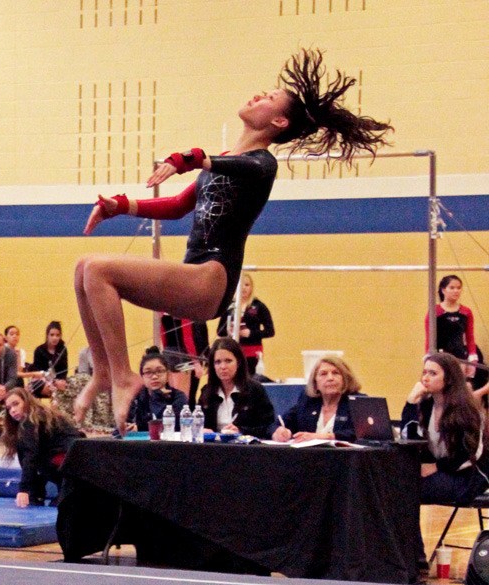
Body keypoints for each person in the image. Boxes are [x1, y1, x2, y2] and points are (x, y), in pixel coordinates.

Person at [73, 48, 393, 432]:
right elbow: (178, 205)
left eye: (270, 97)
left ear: (278, 120)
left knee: (99, 269)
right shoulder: (223, 159)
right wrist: (120, 206)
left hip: (212, 276)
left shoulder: (262, 163)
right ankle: (105, 373)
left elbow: (232, 165)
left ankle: (123, 375)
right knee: (83, 270)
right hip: (194, 273)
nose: (259, 94)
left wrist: (190, 157)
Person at [401, 352, 489, 572]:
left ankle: (415, 556)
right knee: (398, 486)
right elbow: (409, 437)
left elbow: (469, 455)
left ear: (448, 379)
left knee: (407, 489)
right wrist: (411, 402)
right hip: (439, 473)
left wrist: (436, 467)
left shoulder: (467, 410)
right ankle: (412, 555)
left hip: (467, 476)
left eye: (432, 373)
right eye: (424, 373)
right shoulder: (427, 405)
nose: (425, 378)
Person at [2, 388, 84, 507]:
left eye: (16, 404)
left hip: (71, 465)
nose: (13, 410)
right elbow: (28, 456)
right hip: (71, 463)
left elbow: (30, 456)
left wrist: (24, 489)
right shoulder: (41, 416)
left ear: (27, 401)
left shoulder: (31, 421)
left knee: (37, 459)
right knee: (37, 458)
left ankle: (60, 493)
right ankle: (39, 493)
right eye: (9, 408)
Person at [272, 355, 364, 442]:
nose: (330, 378)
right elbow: (275, 425)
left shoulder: (358, 402)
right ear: (315, 383)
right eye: (323, 374)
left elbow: (362, 434)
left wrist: (325, 437)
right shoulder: (307, 401)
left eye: (336, 373)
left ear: (345, 379)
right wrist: (278, 431)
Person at [198, 337, 275, 438]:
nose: (223, 367)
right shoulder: (207, 391)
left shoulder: (255, 390)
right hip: (214, 447)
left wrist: (241, 431)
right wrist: (201, 429)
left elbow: (269, 427)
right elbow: (196, 421)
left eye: (228, 361)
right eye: (218, 362)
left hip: (245, 449)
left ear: (238, 362)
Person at [217, 273, 275, 375]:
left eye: (247, 285)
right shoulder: (230, 307)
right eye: (240, 285)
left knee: (250, 380)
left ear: (251, 287)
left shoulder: (259, 306)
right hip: (233, 351)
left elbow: (270, 331)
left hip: (252, 352)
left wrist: (250, 333)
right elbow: (219, 331)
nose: (243, 288)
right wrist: (229, 332)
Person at [126, 346, 188, 434]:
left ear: (168, 375)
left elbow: (172, 427)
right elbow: (123, 426)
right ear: (142, 377)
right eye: (148, 372)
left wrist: (157, 396)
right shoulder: (136, 398)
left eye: (159, 371)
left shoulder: (179, 397)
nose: (154, 376)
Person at [425, 275, 477, 378]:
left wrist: (472, 360)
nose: (456, 291)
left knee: (457, 390)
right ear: (443, 290)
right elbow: (429, 339)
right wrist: (428, 359)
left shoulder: (466, 312)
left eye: (458, 288)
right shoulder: (435, 311)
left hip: (460, 357)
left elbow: (470, 338)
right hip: (440, 358)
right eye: (452, 288)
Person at [160, 314, 209, 408]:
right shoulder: (184, 311)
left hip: (168, 353)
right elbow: (187, 338)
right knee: (184, 398)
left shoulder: (163, 312)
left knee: (173, 395)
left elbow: (163, 335)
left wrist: (165, 353)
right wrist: (196, 362)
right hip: (183, 355)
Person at [29, 321, 68, 398]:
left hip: (58, 381)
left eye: (57, 335)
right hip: (43, 381)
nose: (55, 338)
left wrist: (60, 381)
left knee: (68, 386)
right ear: (47, 335)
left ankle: (56, 403)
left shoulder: (63, 350)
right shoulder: (39, 350)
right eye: (52, 335)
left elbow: (64, 370)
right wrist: (53, 382)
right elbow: (38, 371)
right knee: (42, 386)